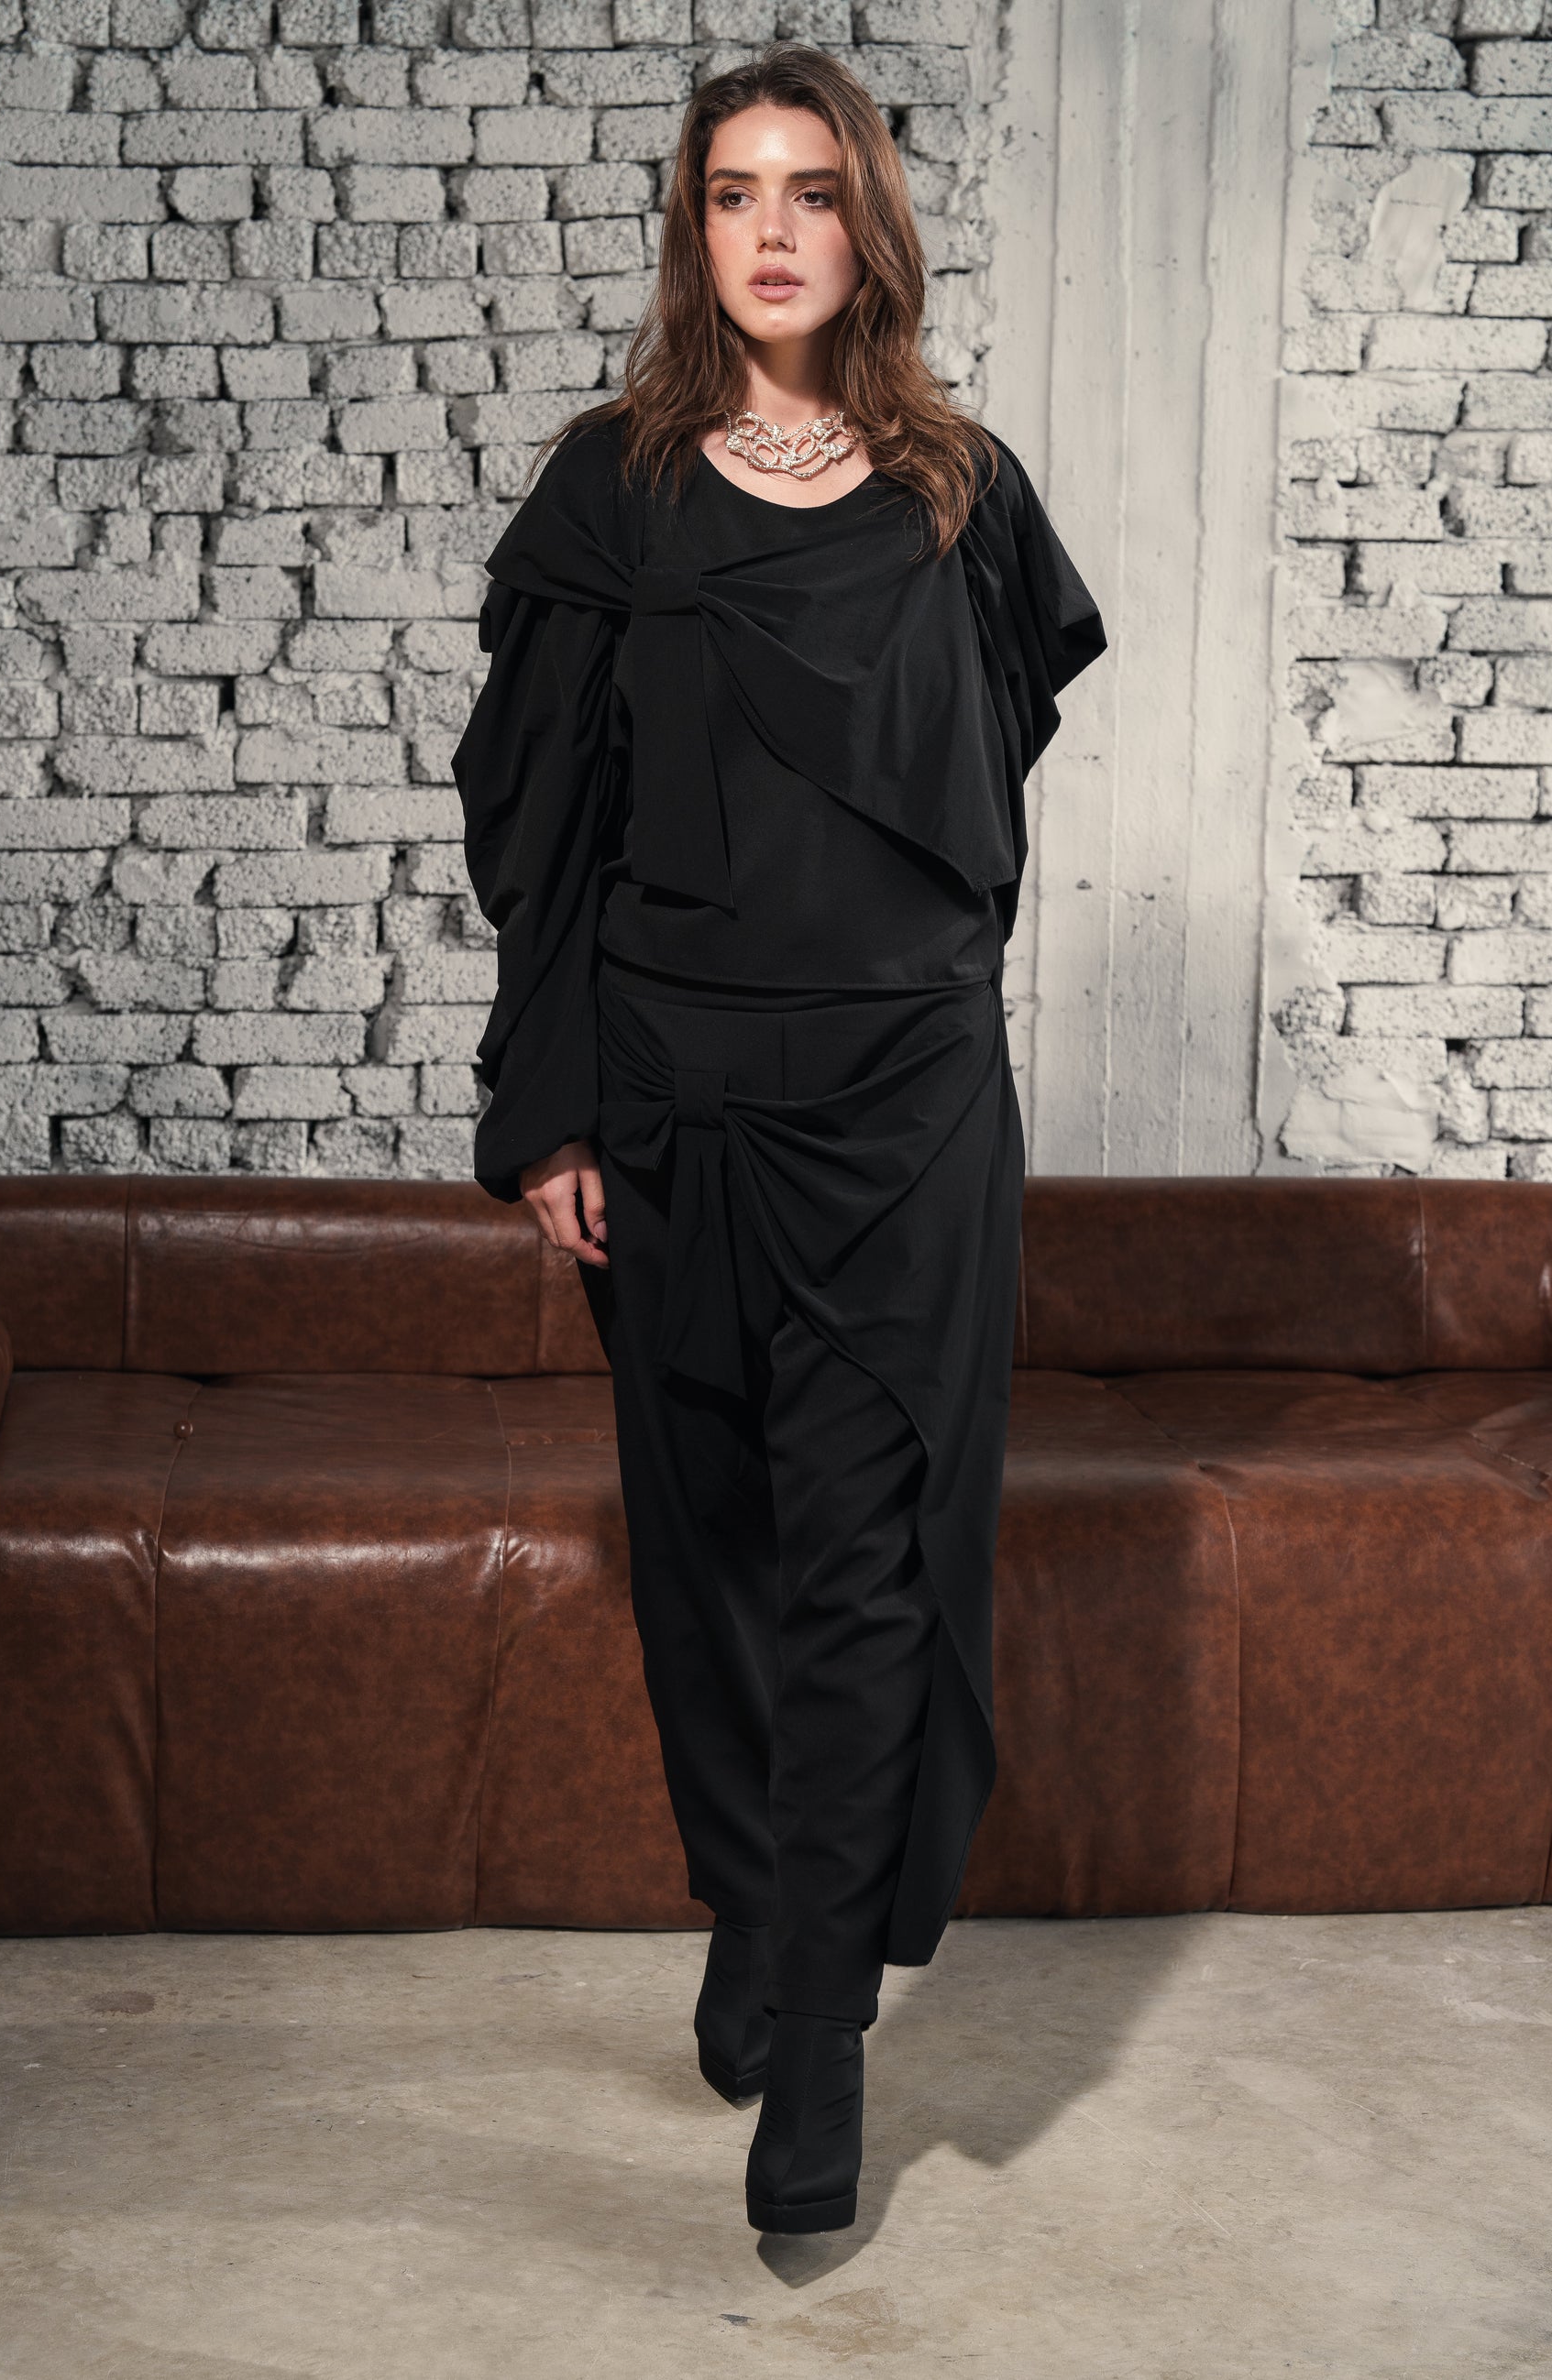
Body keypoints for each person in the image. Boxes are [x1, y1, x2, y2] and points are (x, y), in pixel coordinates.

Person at [453, 40, 1106, 2235]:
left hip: (906, 1111)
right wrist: (548, 1102)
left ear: (868, 225)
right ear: (690, 230)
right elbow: (546, 839)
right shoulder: (610, 492)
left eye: (810, 189)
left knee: (865, 1556)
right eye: (731, 191)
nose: (770, 229)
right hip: (672, 1104)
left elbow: (976, 796)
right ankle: (757, 1901)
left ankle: (817, 2035)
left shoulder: (961, 496)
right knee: (711, 1550)